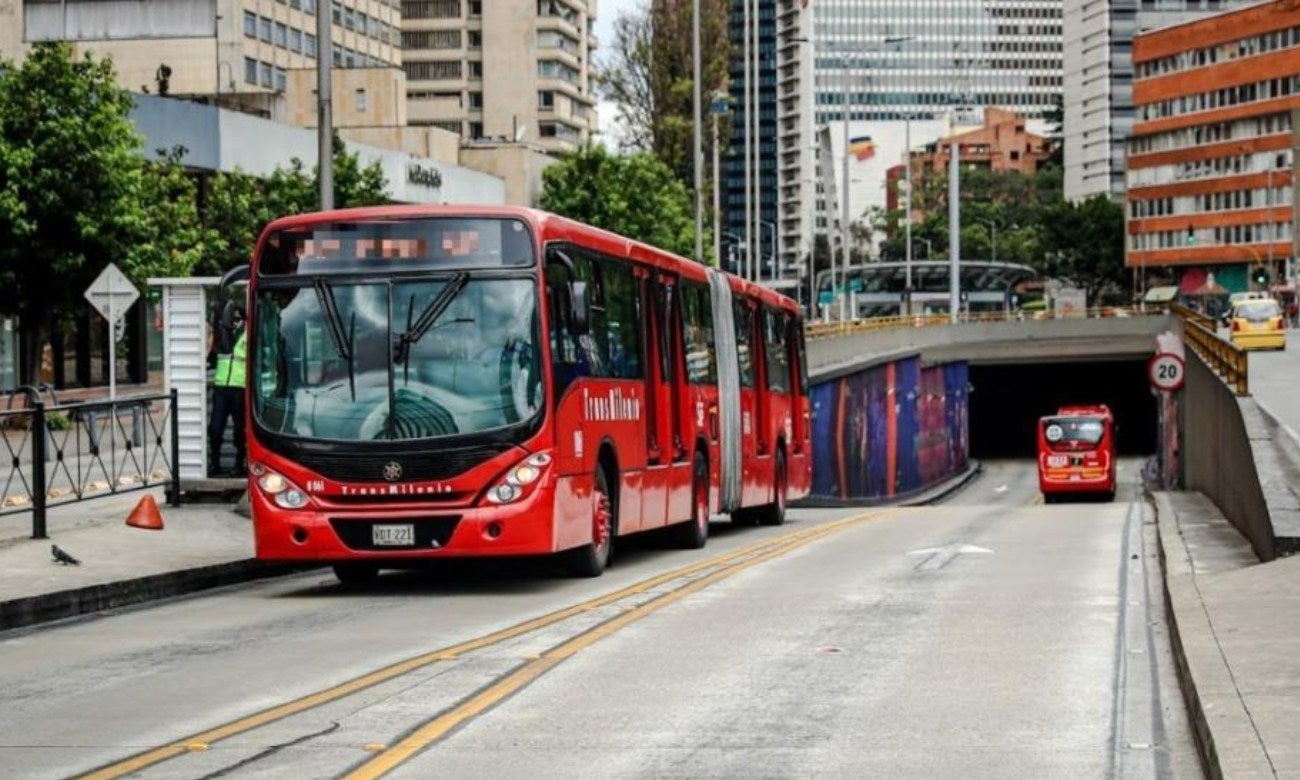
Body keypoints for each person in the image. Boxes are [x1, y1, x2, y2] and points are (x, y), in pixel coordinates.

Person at [208, 302, 247, 477]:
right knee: (215, 429)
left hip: (239, 387)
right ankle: (214, 464)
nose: (234, 321)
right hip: (221, 387)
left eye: (237, 318)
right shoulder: (223, 332)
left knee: (240, 430)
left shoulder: (248, 332)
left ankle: (239, 464)